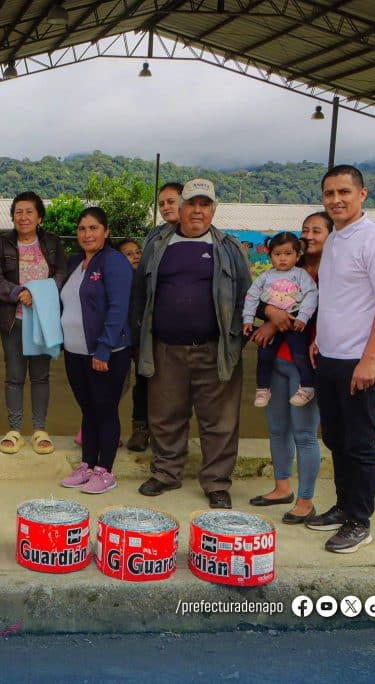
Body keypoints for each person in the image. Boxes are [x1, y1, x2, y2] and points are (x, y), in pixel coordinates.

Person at [131, 178, 252, 509]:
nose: (197, 211)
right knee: (165, 415)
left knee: (220, 420)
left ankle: (216, 482)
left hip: (215, 349)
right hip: (165, 349)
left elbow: (246, 295)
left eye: (205, 205)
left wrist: (235, 340)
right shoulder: (158, 244)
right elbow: (140, 293)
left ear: (213, 210)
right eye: (191, 204)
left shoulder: (228, 247)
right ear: (180, 207)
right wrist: (139, 335)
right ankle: (166, 473)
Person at [306, 165, 375, 553]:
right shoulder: (335, 240)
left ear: (362, 194)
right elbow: (335, 299)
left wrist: (369, 359)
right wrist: (319, 339)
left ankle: (360, 520)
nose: (336, 200)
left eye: (344, 192)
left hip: (362, 361)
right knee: (335, 438)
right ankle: (343, 506)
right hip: (330, 356)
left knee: (360, 442)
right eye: (329, 193)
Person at [249, 212, 332, 524]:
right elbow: (258, 299)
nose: (309, 235)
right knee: (277, 428)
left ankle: (305, 499)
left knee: (304, 433)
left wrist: (277, 321)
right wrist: (270, 314)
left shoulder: (335, 273)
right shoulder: (284, 270)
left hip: (306, 364)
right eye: (306, 230)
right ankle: (281, 486)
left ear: (331, 235)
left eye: (317, 230)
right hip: (277, 359)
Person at [59, 208, 132, 494]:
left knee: (105, 409)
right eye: (82, 229)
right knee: (87, 409)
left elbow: (118, 308)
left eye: (93, 228)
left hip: (105, 351)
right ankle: (87, 465)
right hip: (74, 351)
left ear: (106, 231)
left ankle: (105, 470)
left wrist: (104, 349)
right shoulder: (76, 261)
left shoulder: (114, 262)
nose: (87, 234)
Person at [0, 191, 67, 455]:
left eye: (29, 212)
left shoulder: (53, 243)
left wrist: (39, 292)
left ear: (39, 217)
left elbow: (61, 274)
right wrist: (18, 293)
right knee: (13, 377)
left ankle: (38, 429)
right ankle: (14, 430)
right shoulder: (0, 244)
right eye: (18, 212)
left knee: (40, 376)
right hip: (14, 320)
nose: (23, 217)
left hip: (43, 319)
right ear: (12, 216)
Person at [242, 232, 319, 408]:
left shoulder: (300, 275)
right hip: (272, 323)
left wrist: (303, 317)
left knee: (300, 354)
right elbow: (252, 296)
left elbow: (311, 294)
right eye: (277, 254)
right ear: (270, 256)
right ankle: (263, 388)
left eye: (288, 254)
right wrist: (248, 319)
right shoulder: (265, 277)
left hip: (295, 323)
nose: (282, 259)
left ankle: (307, 386)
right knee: (264, 355)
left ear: (298, 255)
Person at [115, 237, 150, 452]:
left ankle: (142, 429)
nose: (136, 256)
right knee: (116, 384)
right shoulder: (116, 279)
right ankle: (101, 427)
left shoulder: (147, 279)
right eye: (129, 253)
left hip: (143, 340)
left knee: (145, 384)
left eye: (138, 252)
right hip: (119, 339)